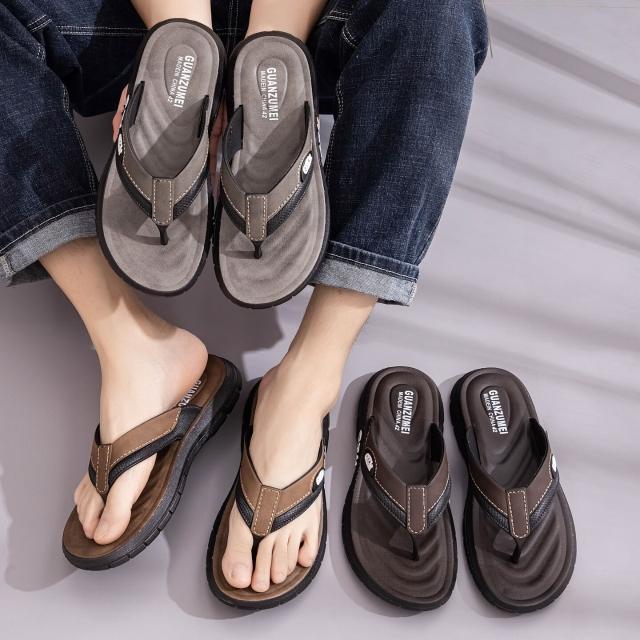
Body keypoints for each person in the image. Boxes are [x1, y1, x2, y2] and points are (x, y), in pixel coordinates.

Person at [0, 0, 488, 594]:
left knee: (437, 12)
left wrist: (272, 49)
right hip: (142, 19)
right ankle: (129, 342)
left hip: (312, 22)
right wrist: (179, 39)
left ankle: (307, 380)